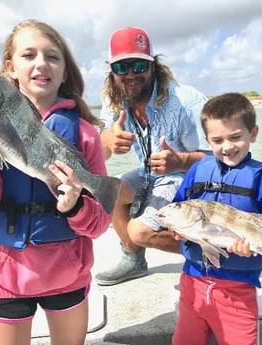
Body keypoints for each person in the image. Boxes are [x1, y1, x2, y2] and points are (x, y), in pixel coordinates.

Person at [0, 19, 112, 345]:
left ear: (65, 71)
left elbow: (99, 223)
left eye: (52, 56)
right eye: (28, 55)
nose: (41, 63)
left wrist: (77, 205)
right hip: (2, 275)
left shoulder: (84, 133)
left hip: (67, 275)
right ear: (10, 67)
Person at [95, 26, 211, 286]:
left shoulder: (187, 103)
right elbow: (97, 155)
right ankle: (133, 260)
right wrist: (106, 140)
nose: (131, 74)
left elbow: (220, 162)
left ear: (154, 66)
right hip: (149, 174)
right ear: (112, 72)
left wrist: (179, 161)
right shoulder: (112, 100)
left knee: (140, 230)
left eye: (139, 65)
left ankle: (211, 256)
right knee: (106, 190)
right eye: (122, 68)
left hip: (189, 178)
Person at [169, 93, 262, 345]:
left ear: (252, 134)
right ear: (207, 141)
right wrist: (175, 228)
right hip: (192, 281)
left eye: (235, 137)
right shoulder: (197, 170)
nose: (227, 146)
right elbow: (178, 206)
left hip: (238, 291)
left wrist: (250, 250)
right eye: (217, 140)